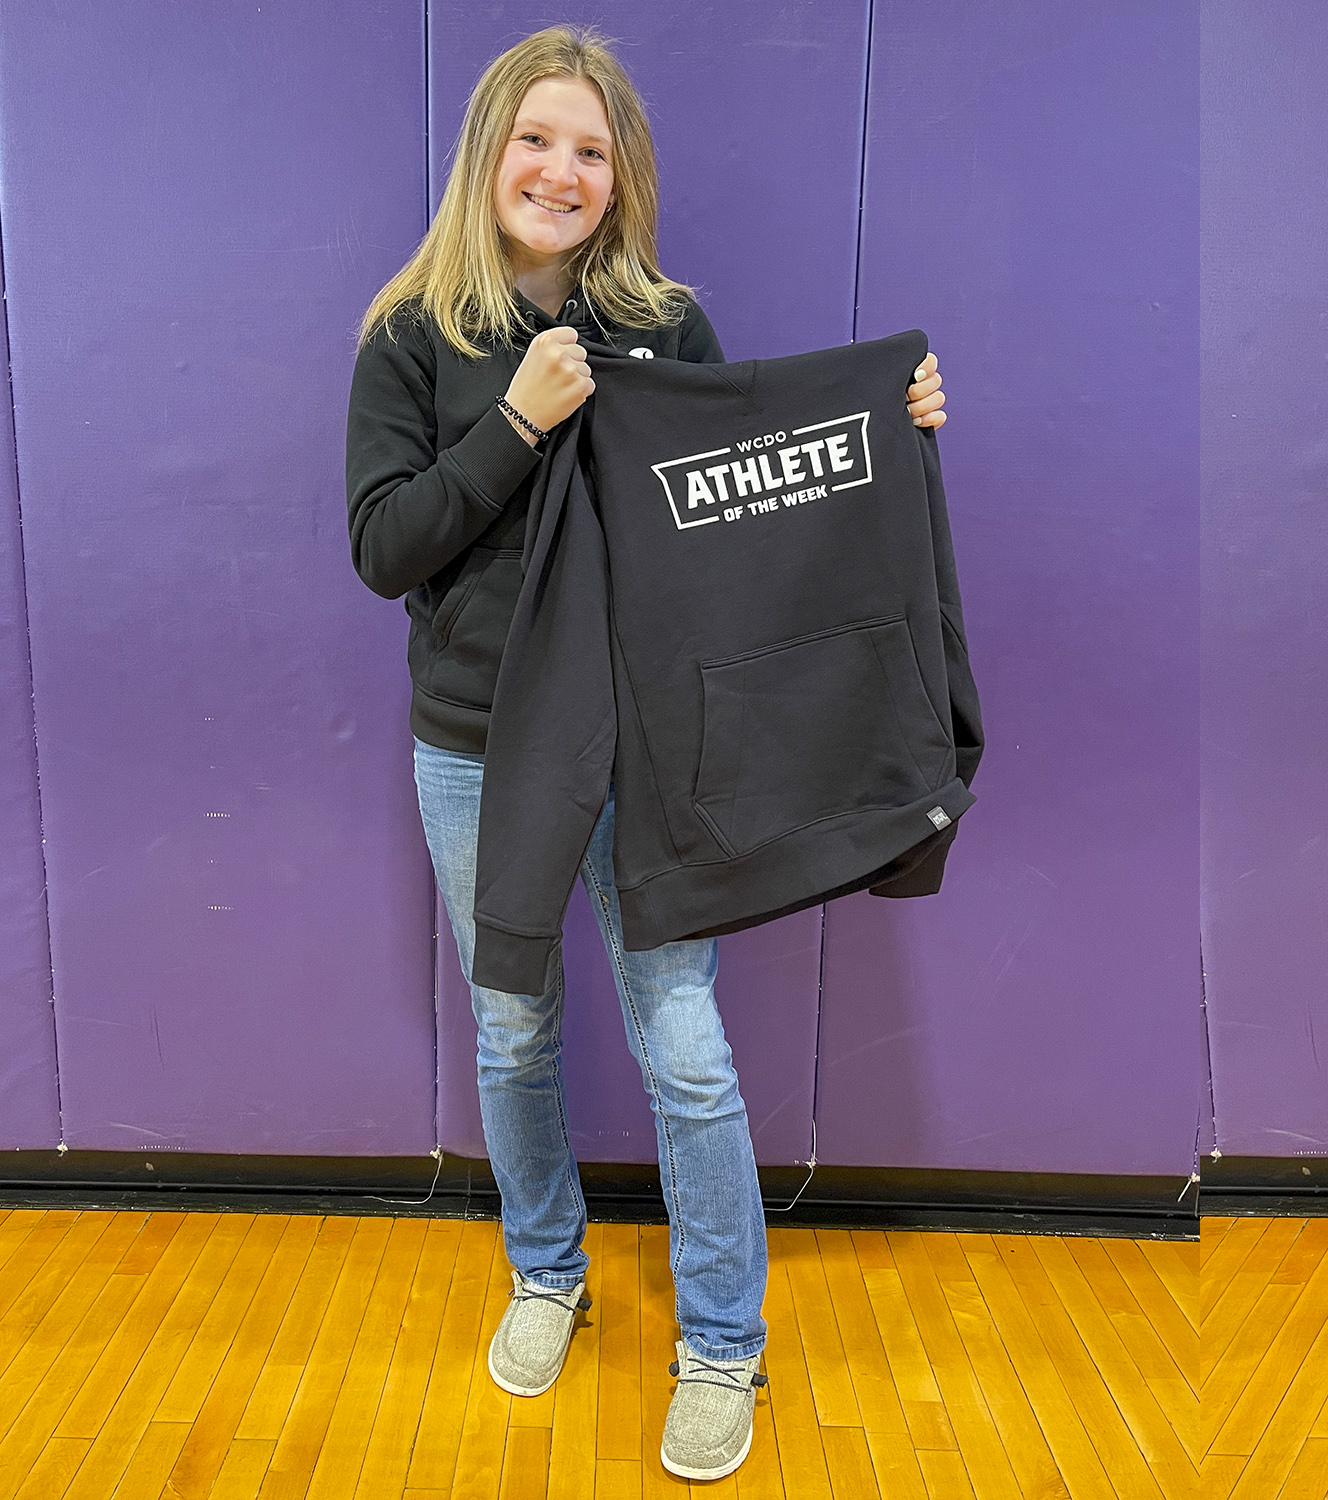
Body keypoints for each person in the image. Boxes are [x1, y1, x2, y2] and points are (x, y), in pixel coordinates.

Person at [343, 27, 949, 1483]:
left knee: (682, 1044)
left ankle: (723, 1348)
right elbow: (384, 549)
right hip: (479, 743)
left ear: (623, 180)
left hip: (640, 747)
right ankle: (547, 1273)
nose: (561, 170)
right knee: (515, 1026)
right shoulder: (412, 333)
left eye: (592, 150)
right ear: (490, 152)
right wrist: (514, 426)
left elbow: (746, 514)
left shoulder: (667, 329)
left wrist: (891, 427)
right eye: (537, 140)